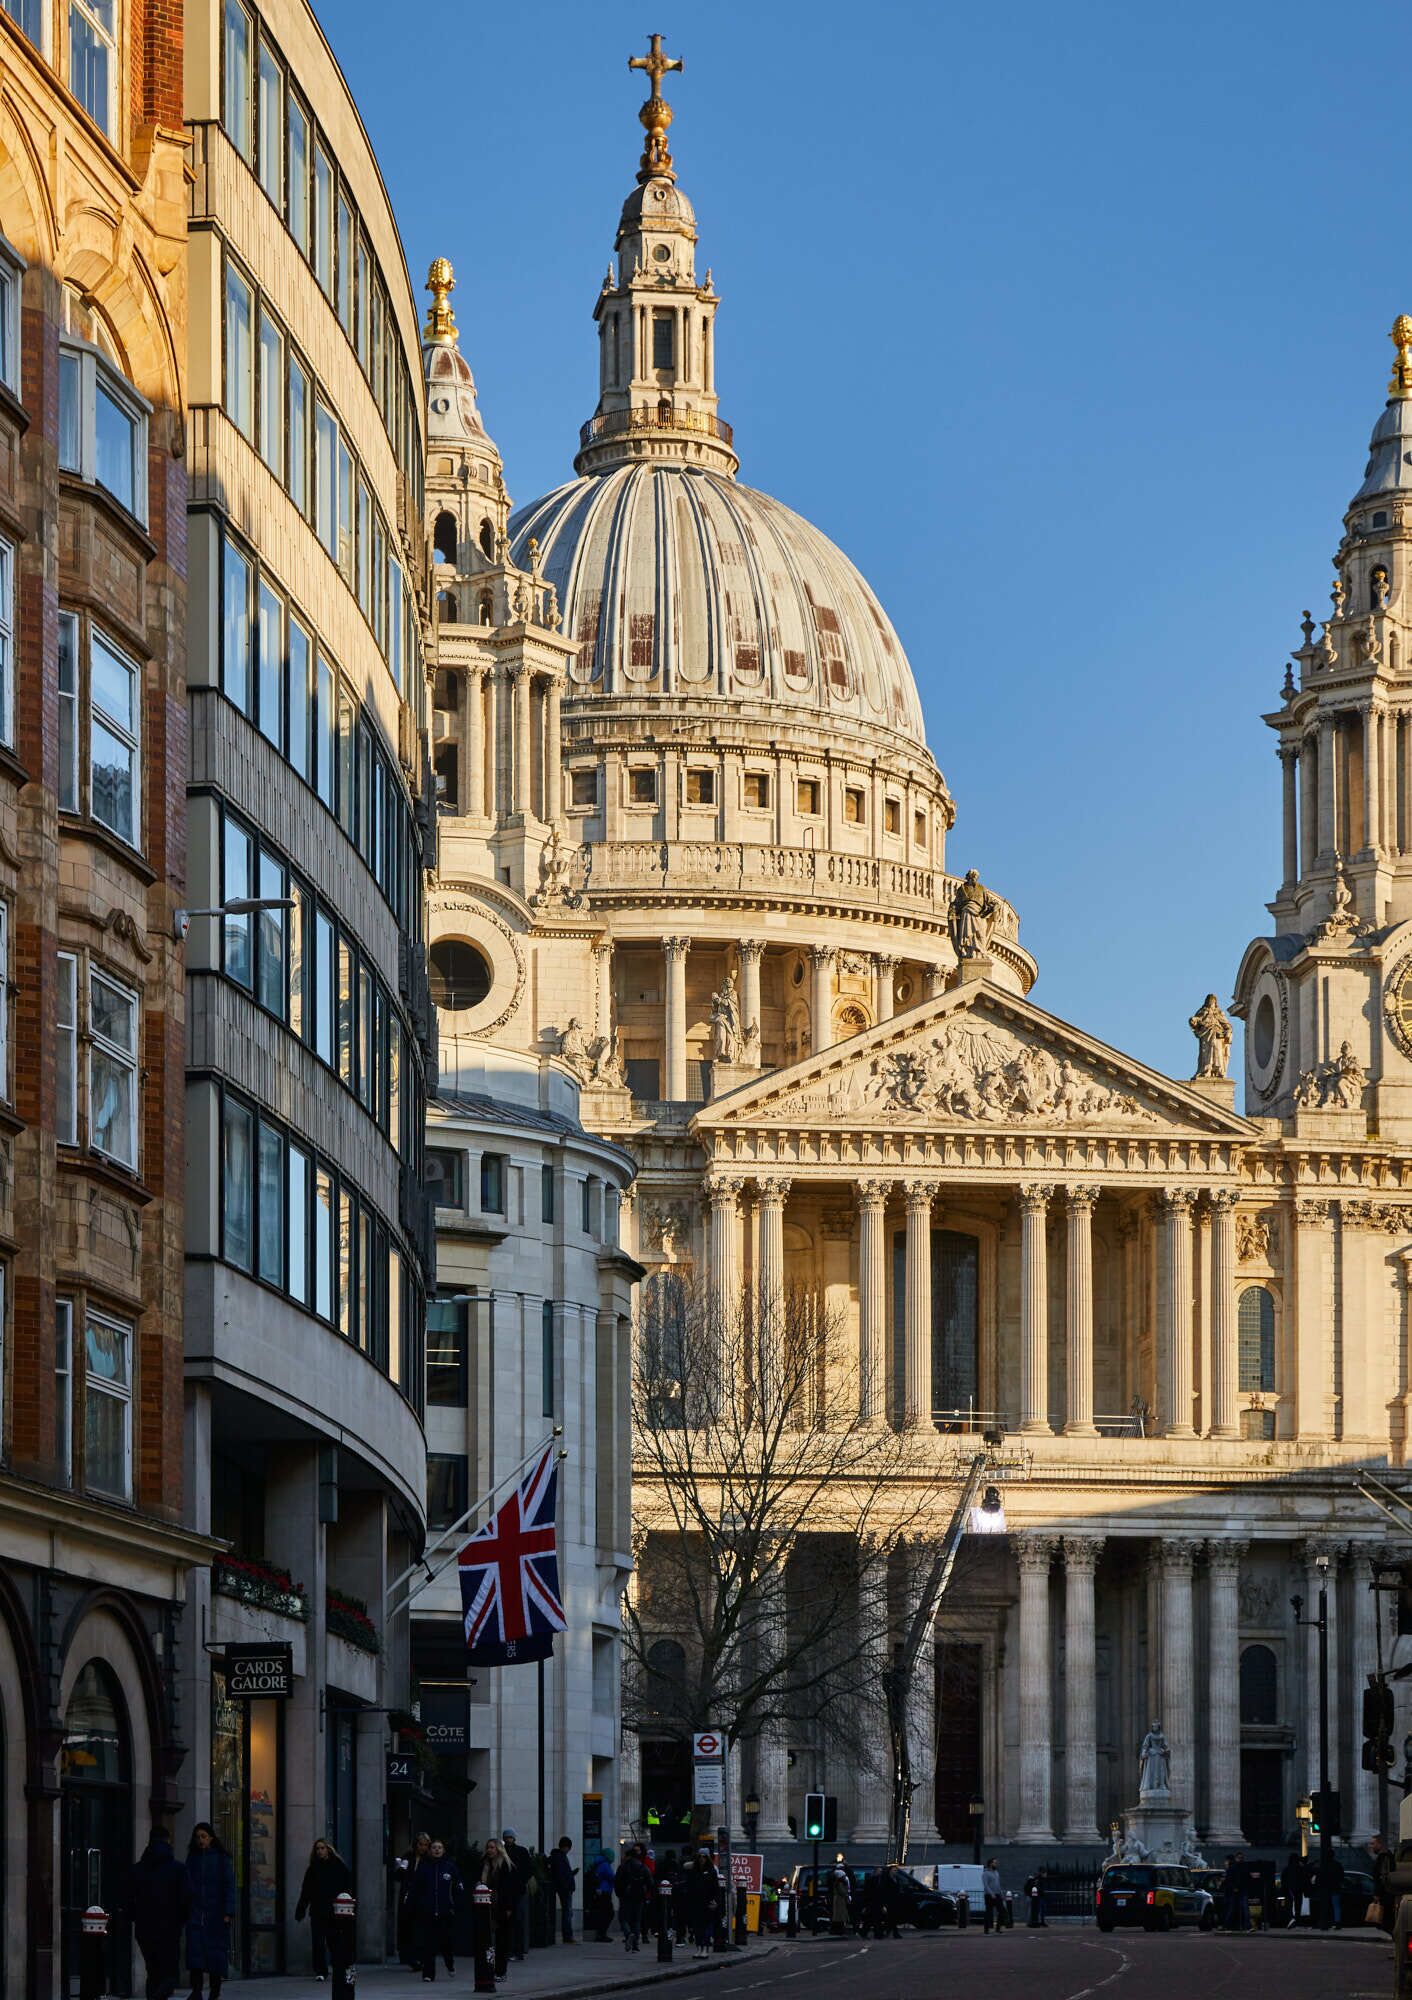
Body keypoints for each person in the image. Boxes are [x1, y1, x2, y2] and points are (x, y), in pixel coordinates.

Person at [128, 1828, 190, 2000]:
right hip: (169, 1927)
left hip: (145, 1928)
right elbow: (187, 1899)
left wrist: (135, 1917)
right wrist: (181, 1920)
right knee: (168, 1973)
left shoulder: (137, 1870)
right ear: (168, 1841)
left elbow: (126, 1899)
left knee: (153, 1970)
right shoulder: (178, 1869)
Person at [183, 1823, 235, 2000]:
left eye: (203, 1836)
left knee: (215, 1958)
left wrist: (228, 1912)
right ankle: (196, 1991)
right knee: (195, 1957)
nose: (200, 1840)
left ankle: (214, 1993)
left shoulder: (221, 1859)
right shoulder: (192, 1859)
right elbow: (186, 1886)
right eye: (197, 1837)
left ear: (211, 1838)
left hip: (216, 1916)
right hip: (196, 1915)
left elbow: (229, 1886)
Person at [406, 1836, 464, 1980]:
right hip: (428, 1910)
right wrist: (413, 1904)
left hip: (445, 1910)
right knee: (428, 1944)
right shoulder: (424, 1866)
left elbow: (458, 1886)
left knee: (446, 1942)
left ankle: (450, 1964)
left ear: (443, 1850)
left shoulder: (450, 1866)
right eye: (434, 1848)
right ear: (430, 1851)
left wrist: (457, 1905)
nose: (436, 1850)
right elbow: (415, 1887)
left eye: (439, 1848)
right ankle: (428, 1974)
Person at [294, 1838, 352, 1980]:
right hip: (318, 1910)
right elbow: (306, 1891)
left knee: (333, 1941)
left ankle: (339, 1967)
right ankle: (321, 1971)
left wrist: (346, 1906)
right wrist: (301, 1909)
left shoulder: (338, 1866)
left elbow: (347, 1887)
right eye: (317, 1849)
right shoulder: (313, 1869)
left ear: (328, 1849)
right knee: (318, 1942)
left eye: (322, 1848)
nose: (320, 1851)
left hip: (334, 1911)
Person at [478, 1838, 517, 1977]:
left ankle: (501, 1971)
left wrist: (508, 1907)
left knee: (502, 1939)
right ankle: (488, 1968)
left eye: (492, 1847)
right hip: (485, 1904)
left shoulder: (505, 1866)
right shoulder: (484, 1864)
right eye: (488, 1847)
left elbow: (509, 1889)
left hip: (501, 1905)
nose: (489, 1850)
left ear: (498, 1849)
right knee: (487, 1939)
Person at [395, 1835, 431, 1967]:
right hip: (407, 1893)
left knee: (419, 1926)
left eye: (425, 1845)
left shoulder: (428, 1860)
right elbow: (399, 1877)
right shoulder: (407, 1856)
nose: (422, 1847)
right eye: (420, 1844)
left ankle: (417, 1956)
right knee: (406, 1923)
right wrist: (399, 1868)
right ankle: (405, 1954)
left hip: (421, 1895)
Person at [680, 1851, 720, 1959]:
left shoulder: (711, 1871)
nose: (702, 1859)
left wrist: (715, 1901)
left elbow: (715, 1888)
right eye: (700, 1857)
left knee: (706, 1926)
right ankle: (699, 1948)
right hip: (695, 1902)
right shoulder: (693, 1871)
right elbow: (689, 1886)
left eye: (704, 1857)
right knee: (697, 1927)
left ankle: (705, 1948)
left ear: (707, 1858)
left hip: (707, 1902)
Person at [501, 1828, 532, 1961]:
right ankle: (513, 1950)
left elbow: (528, 1869)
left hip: (517, 1890)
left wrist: (521, 1881)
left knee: (518, 1920)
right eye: (507, 1838)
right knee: (511, 1921)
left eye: (510, 1837)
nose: (508, 1840)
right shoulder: (503, 1852)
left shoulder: (520, 1851)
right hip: (509, 1890)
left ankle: (518, 1950)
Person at [615, 1844, 652, 1953]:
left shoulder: (623, 1867)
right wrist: (646, 1893)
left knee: (623, 1919)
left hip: (626, 1897)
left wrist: (619, 1894)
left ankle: (628, 1934)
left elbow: (617, 1882)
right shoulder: (642, 1867)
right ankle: (635, 1945)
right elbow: (650, 1882)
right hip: (639, 1896)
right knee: (637, 1921)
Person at [549, 1836, 578, 1943]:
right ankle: (567, 1936)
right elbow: (561, 1875)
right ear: (566, 1847)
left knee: (567, 1912)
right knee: (567, 1912)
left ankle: (567, 1936)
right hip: (565, 1888)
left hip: (564, 1887)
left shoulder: (557, 1857)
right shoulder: (560, 1857)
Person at [589, 1847, 616, 1942]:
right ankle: (602, 1934)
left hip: (600, 1892)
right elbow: (612, 1877)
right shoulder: (605, 1865)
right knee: (609, 1913)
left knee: (604, 1913)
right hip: (604, 1892)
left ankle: (601, 1934)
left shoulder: (599, 1863)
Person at [1313, 1848, 1344, 1930]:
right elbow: (1341, 1877)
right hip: (1335, 1887)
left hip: (1325, 1888)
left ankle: (1325, 1921)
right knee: (1336, 1906)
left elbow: (1318, 1877)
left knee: (1325, 1905)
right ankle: (1337, 1922)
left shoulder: (1323, 1865)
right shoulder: (1337, 1865)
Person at [1220, 1852, 1249, 1932]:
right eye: (1239, 1858)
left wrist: (1234, 1887)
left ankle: (1228, 1925)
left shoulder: (1233, 1868)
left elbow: (1230, 1880)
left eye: (1241, 1858)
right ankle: (1243, 1926)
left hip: (1235, 1891)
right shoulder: (1239, 1867)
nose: (1240, 1859)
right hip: (1237, 1891)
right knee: (1239, 1908)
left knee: (1233, 1909)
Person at [1280, 1850, 1309, 1928]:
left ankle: (1291, 1919)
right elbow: (1304, 1879)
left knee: (1289, 1906)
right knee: (1298, 1906)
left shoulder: (1286, 1869)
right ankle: (1298, 1920)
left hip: (1289, 1890)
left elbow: (1283, 1880)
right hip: (1299, 1890)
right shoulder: (1300, 1868)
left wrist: (1284, 1889)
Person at [982, 1858, 1004, 1934]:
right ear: (990, 1863)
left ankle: (998, 1929)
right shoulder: (985, 1873)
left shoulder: (996, 1872)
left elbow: (998, 1884)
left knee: (1001, 1911)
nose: (996, 1864)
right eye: (995, 1862)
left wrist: (1001, 1893)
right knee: (989, 1913)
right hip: (989, 1896)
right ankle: (986, 1930)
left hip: (997, 1895)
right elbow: (986, 1885)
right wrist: (991, 1894)